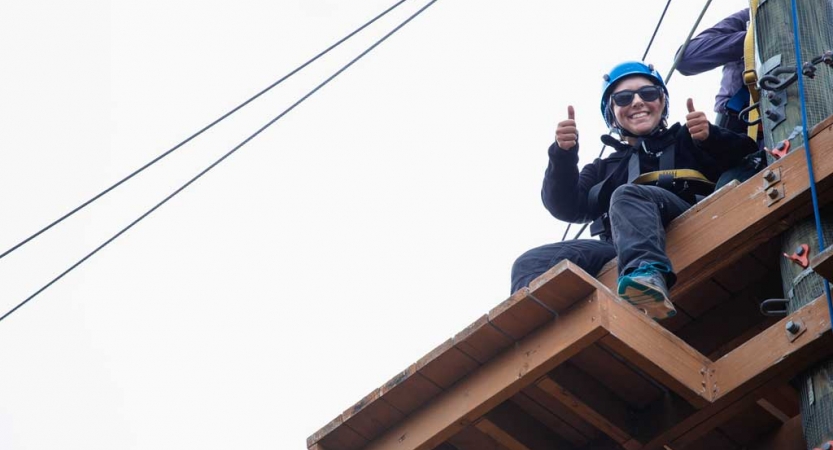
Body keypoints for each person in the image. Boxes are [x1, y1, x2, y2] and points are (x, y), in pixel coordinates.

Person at [510, 61, 758, 319]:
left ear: (662, 102)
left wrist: (711, 137)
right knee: (529, 264)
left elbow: (749, 156)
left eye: (648, 93)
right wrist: (563, 155)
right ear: (612, 112)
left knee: (628, 195)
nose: (638, 102)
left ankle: (647, 274)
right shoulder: (603, 170)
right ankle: (527, 331)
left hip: (686, 220)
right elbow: (564, 205)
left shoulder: (691, 139)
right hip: (621, 248)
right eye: (624, 98)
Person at [675, 8, 766, 187]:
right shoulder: (753, 15)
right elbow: (686, 58)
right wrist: (756, 36)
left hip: (811, 116)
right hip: (740, 132)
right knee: (729, 189)